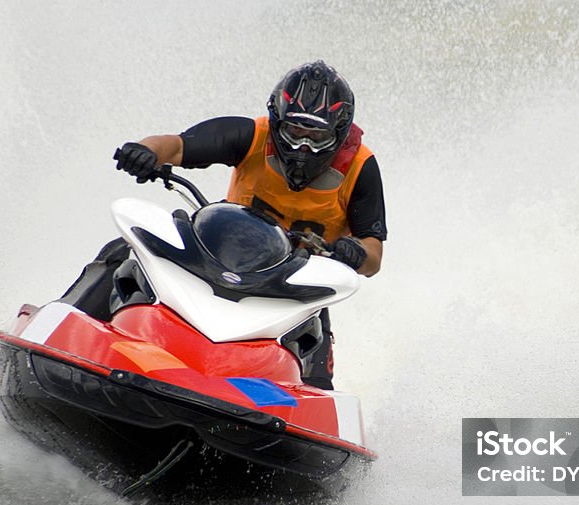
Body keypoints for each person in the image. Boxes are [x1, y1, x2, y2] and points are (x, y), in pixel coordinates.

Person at [111, 60, 387, 390]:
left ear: (338, 136)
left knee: (315, 346)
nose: (302, 148)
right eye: (295, 132)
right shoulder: (250, 135)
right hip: (216, 257)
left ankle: (311, 408)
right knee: (124, 254)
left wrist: (353, 253)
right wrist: (146, 151)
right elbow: (176, 145)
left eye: (316, 137)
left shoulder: (360, 167)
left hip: (292, 289)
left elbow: (374, 255)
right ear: (277, 122)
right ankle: (64, 320)